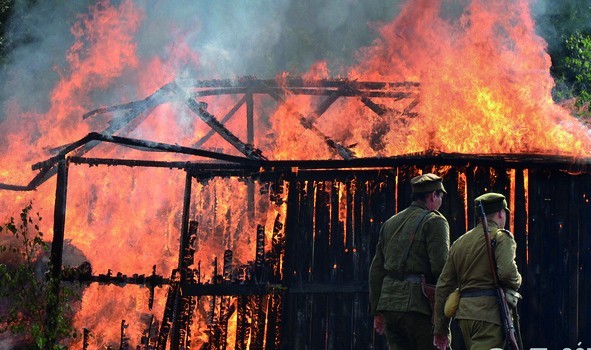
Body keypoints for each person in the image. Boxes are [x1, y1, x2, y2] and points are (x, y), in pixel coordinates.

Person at [369, 173, 450, 350]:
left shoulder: (391, 223)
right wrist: (442, 324)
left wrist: (377, 311)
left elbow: (376, 271)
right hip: (417, 308)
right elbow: (442, 270)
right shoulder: (435, 221)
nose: (441, 202)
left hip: (389, 306)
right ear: (432, 196)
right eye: (440, 196)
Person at [433, 192, 522, 350]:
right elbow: (508, 273)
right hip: (489, 315)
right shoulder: (501, 237)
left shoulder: (459, 243)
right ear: (501, 213)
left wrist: (441, 328)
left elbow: (443, 286)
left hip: (465, 316)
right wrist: (517, 280)